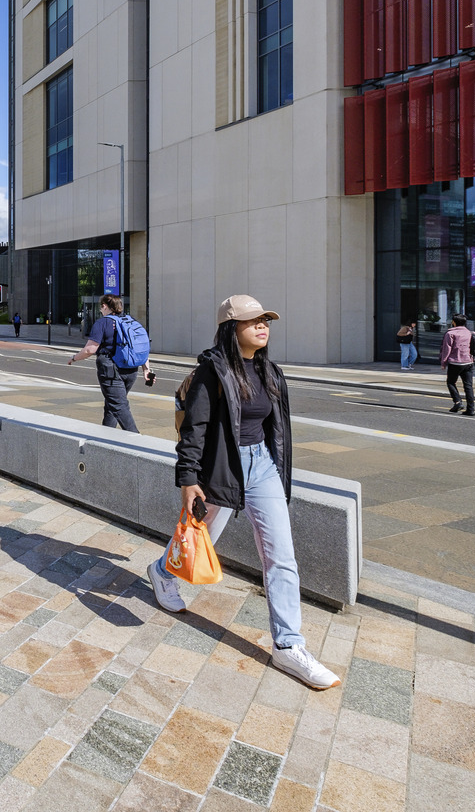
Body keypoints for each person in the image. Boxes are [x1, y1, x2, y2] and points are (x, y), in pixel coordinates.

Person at [146, 294, 341, 691]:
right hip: (220, 467)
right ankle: (163, 571)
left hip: (262, 467)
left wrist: (275, 469)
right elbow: (194, 430)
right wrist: (188, 479)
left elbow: (275, 430)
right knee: (201, 541)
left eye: (265, 320)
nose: (262, 326)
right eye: (253, 321)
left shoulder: (271, 371)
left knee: (281, 555)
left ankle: (288, 645)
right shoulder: (210, 373)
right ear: (230, 328)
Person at [67, 294, 144, 432]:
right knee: (112, 403)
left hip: (111, 370)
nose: (100, 310)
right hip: (131, 370)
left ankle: (138, 440)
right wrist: (147, 369)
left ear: (104, 306)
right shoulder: (130, 321)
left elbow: (90, 349)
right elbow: (141, 347)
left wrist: (74, 358)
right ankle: (107, 435)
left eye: (100, 307)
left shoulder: (102, 323)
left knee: (119, 405)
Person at [438, 312, 475, 416]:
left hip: (455, 363)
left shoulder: (450, 333)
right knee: (468, 386)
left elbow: (446, 350)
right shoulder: (471, 333)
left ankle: (457, 402)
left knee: (451, 382)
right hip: (469, 362)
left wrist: (443, 362)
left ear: (454, 322)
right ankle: (471, 409)